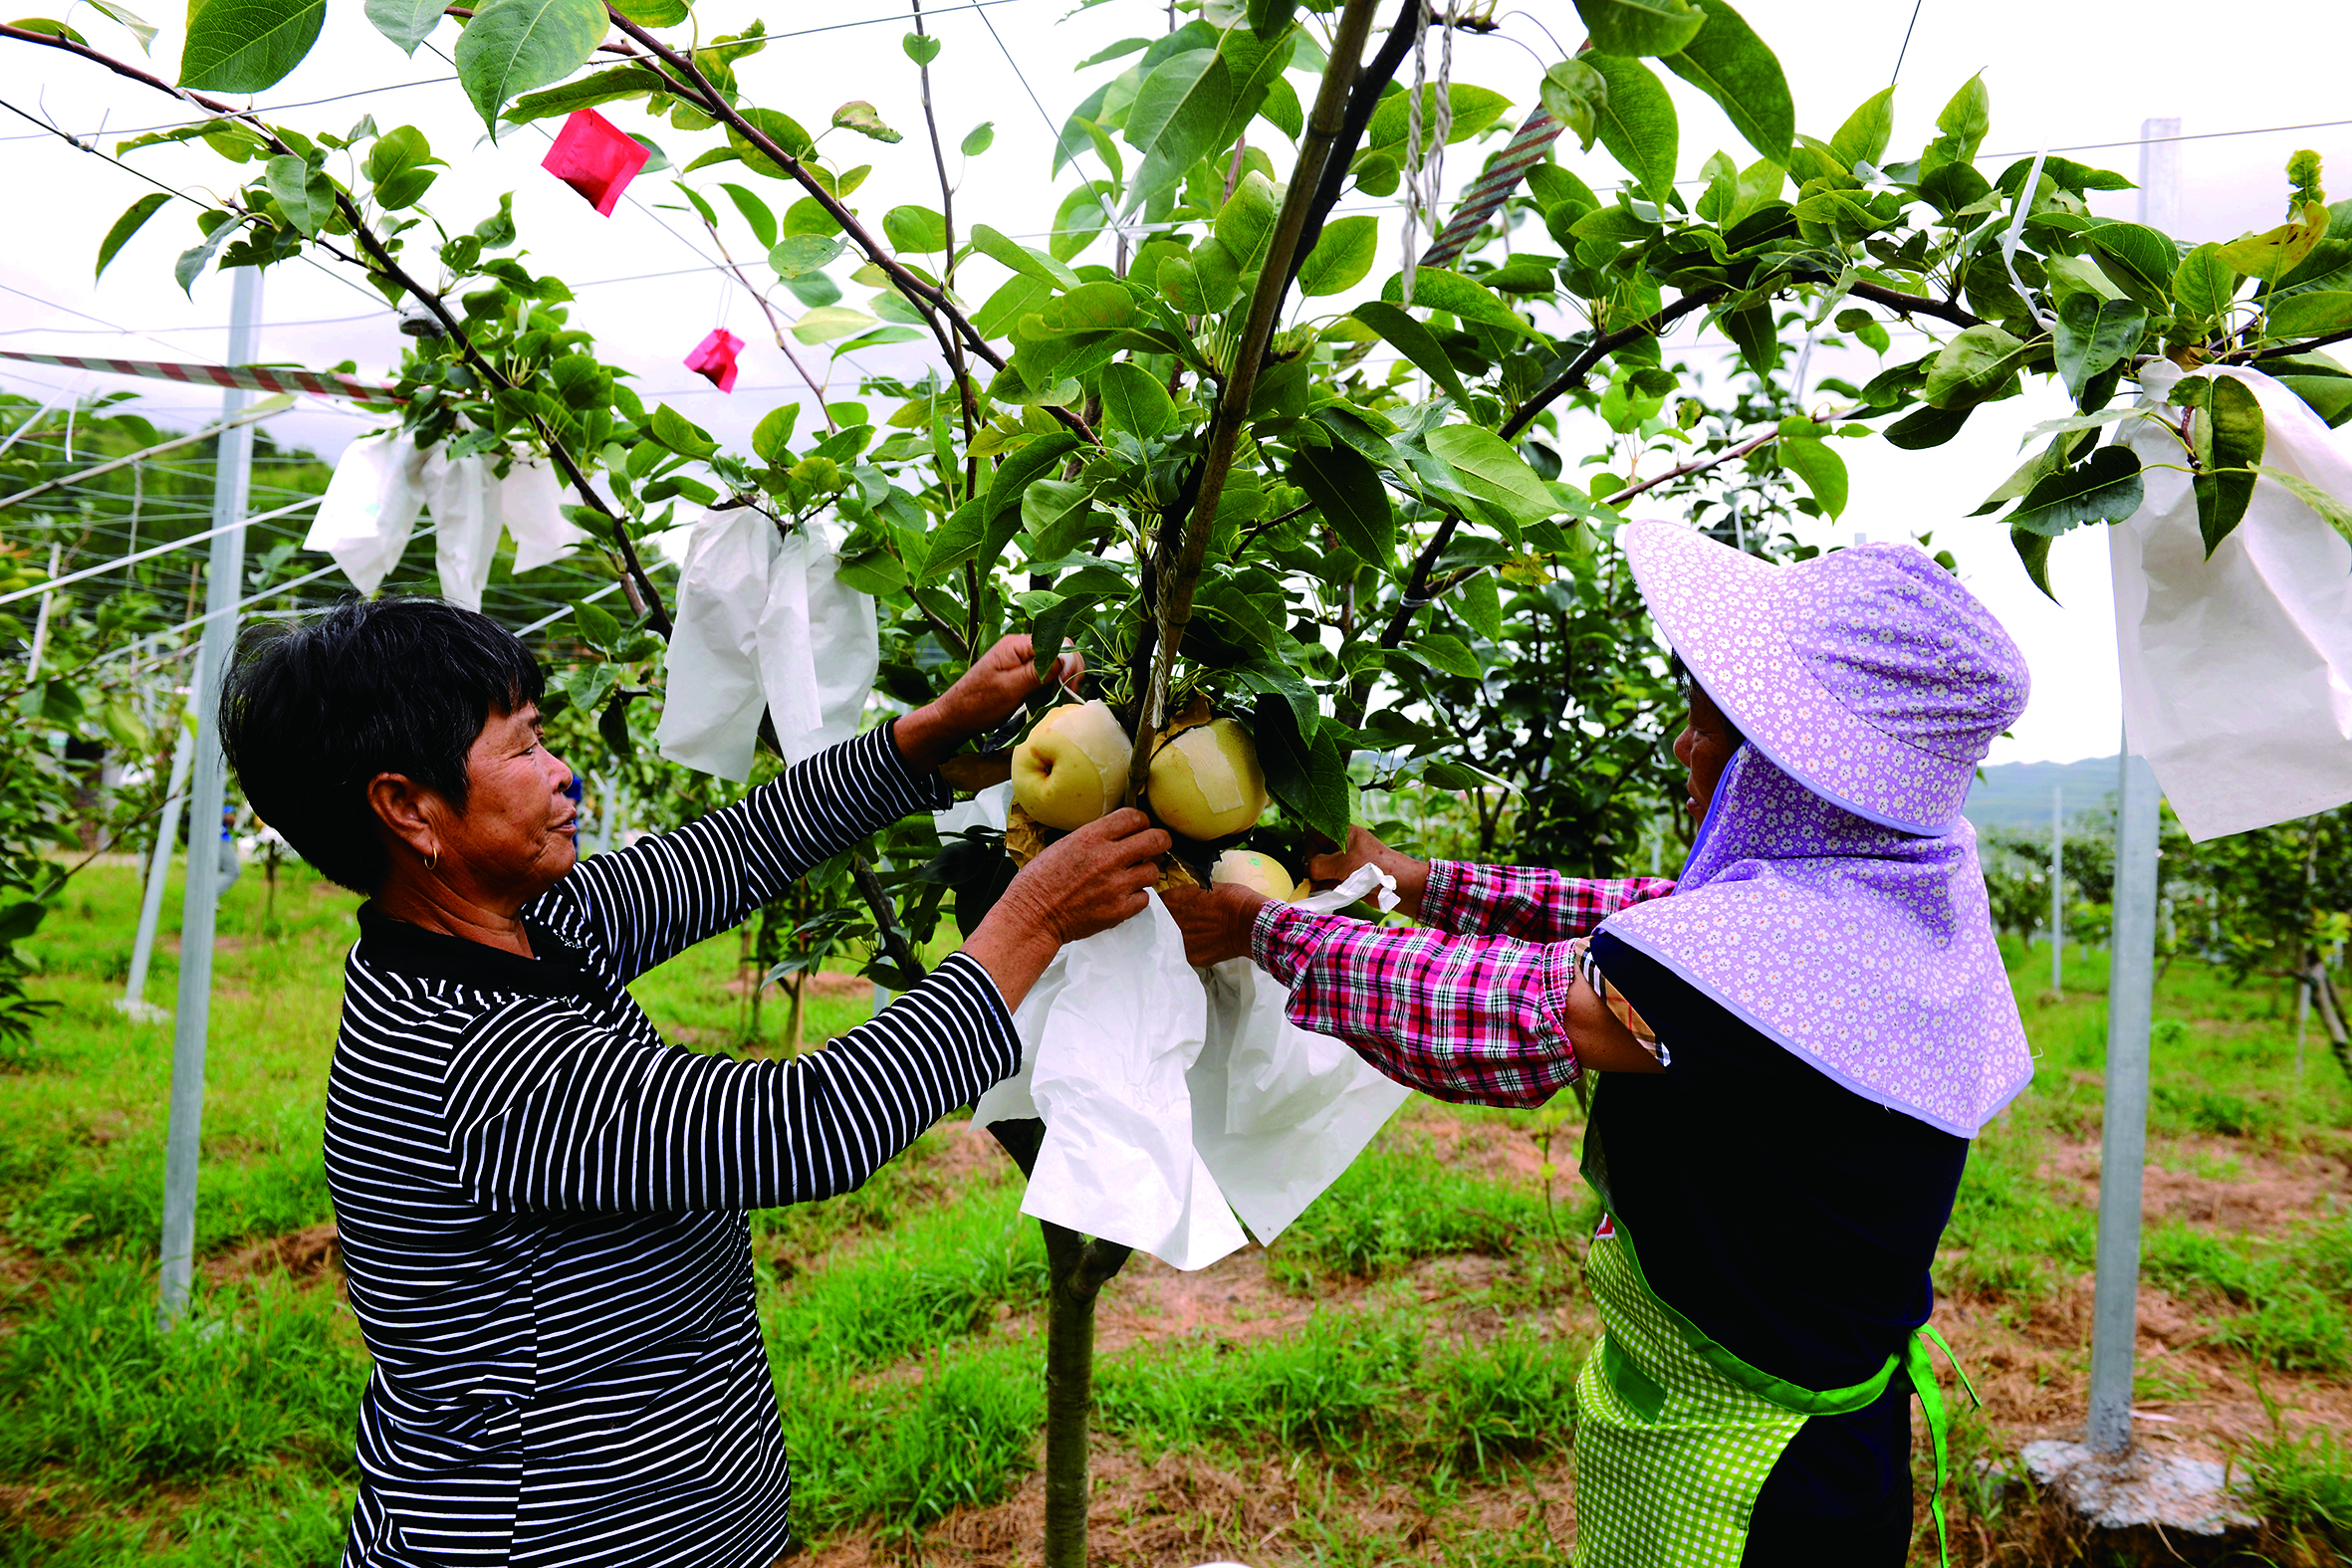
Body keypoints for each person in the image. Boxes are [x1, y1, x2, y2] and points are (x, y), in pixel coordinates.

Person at [219, 596, 1168, 1568]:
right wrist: (1029, 925)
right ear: (407, 807)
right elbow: (807, 1126)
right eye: (521, 750)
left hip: (665, 1510)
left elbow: (730, 853)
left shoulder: (533, 923)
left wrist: (922, 741)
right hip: (548, 1537)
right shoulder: (469, 1059)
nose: (562, 776)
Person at [1167, 520, 2033, 1568]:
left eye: (1709, 724)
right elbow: (1642, 910)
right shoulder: (1885, 892)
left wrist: (1256, 928)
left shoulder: (1746, 968)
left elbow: (1502, 1010)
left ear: (1788, 768)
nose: (1683, 745)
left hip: (1759, 1484)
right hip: (1827, 1438)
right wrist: (1413, 878)